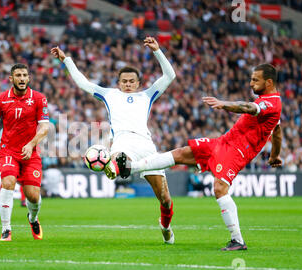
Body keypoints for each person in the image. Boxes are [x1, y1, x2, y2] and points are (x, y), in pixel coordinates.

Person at [115, 64, 283, 251]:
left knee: (219, 188)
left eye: (255, 80)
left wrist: (224, 104)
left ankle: (238, 240)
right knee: (181, 153)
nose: (251, 83)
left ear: (268, 82)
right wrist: (274, 155)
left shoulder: (271, 103)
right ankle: (131, 168)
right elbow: (277, 130)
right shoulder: (268, 103)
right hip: (223, 142)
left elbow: (248, 107)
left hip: (238, 151)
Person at [51, 36, 177, 244]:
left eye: (131, 81)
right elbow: (83, 83)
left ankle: (165, 227)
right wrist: (67, 60)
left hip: (146, 145)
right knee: (119, 157)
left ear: (138, 83)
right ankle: (113, 165)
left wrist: (157, 51)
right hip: (122, 142)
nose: (128, 84)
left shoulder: (147, 95)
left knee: (165, 199)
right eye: (124, 81)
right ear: (119, 83)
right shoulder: (109, 95)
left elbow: (170, 75)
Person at [0, 63, 50, 242]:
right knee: (8, 182)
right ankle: (6, 229)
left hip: (30, 153)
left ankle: (32, 219)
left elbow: (45, 127)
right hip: (8, 151)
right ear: (11, 79)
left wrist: (31, 144)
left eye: (25, 75)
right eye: (18, 75)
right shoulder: (1, 99)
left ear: (29, 78)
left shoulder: (39, 98)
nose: (22, 78)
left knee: (33, 195)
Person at [0, 128, 26, 207]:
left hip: (20, 156)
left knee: (23, 179)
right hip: (7, 156)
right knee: (5, 179)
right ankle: (2, 201)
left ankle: (23, 200)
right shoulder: (4, 129)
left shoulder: (23, 126)